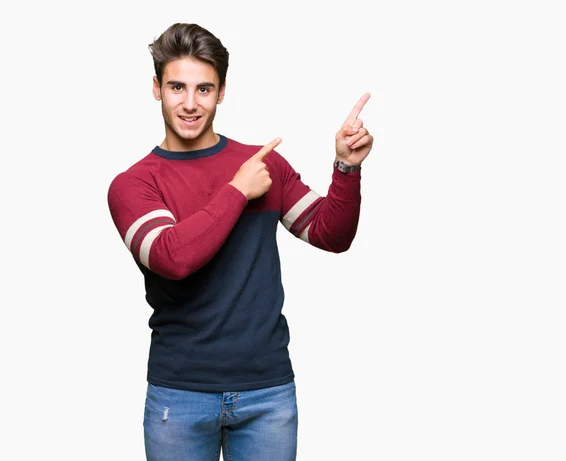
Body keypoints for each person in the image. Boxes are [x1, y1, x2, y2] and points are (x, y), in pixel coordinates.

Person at [107, 22, 374, 461]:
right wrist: (237, 192)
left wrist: (346, 168)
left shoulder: (263, 165)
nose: (190, 104)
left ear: (222, 92)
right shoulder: (134, 184)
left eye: (204, 89)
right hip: (180, 393)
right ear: (156, 88)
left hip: (267, 392)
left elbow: (331, 235)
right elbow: (174, 257)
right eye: (177, 87)